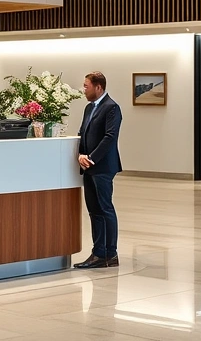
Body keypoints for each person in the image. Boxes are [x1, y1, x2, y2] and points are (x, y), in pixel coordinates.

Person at [74, 71, 123, 269]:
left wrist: (91, 159)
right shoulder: (89, 108)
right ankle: (98, 252)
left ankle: (110, 253)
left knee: (105, 209)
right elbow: (82, 133)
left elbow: (110, 137)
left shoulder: (112, 108)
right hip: (88, 167)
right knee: (94, 211)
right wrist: (80, 155)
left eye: (86, 86)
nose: (84, 89)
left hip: (102, 167)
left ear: (98, 87)